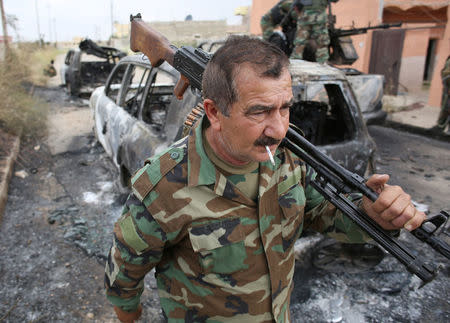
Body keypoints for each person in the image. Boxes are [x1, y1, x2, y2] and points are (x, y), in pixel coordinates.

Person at [104, 36, 425, 322]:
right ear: (214, 113)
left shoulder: (290, 155)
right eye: (259, 111)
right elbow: (124, 272)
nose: (279, 129)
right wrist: (128, 314)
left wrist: (372, 213)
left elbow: (318, 212)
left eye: (285, 108)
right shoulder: (166, 184)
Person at [260, 0, 337, 63]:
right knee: (270, 42)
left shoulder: (293, 5)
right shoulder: (287, 4)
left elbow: (295, 9)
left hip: (308, 20)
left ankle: (299, 59)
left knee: (304, 41)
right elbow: (293, 11)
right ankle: (270, 58)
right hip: (269, 22)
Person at [435, 55, 450, 132]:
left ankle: (441, 127)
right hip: (447, 90)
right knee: (445, 108)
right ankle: (440, 126)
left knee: (447, 108)